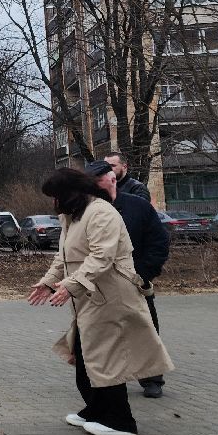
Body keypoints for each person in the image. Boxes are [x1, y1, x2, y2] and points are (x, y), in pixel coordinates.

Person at [29, 168, 172, 435]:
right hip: (91, 297)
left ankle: (120, 421)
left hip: (111, 297)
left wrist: (70, 286)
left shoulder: (101, 212)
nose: (54, 203)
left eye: (57, 196)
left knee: (108, 359)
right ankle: (95, 410)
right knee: (85, 357)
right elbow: (64, 257)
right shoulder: (73, 216)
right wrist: (49, 282)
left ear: (73, 192)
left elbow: (101, 257)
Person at [87, 161, 170, 398]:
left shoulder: (138, 206)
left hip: (135, 282)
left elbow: (159, 243)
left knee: (145, 330)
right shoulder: (87, 210)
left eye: (101, 181)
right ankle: (108, 380)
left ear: (113, 179)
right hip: (100, 285)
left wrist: (142, 275)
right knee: (102, 334)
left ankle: (152, 378)